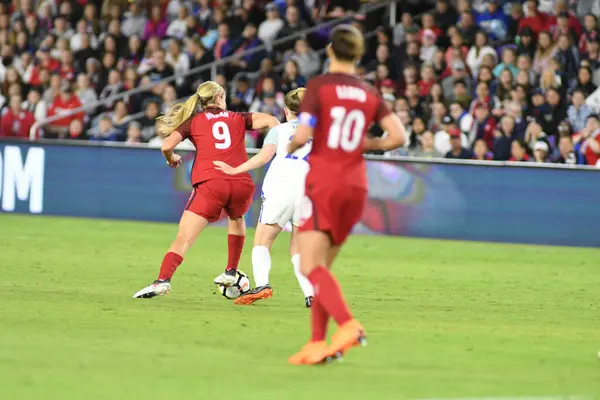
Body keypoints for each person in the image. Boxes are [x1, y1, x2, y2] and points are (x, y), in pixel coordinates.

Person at [285, 25, 406, 365]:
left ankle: (349, 325)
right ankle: (315, 343)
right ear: (358, 54)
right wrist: (368, 144)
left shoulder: (319, 85)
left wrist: (294, 143)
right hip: (356, 184)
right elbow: (398, 136)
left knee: (311, 266)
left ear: (330, 53)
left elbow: (305, 131)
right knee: (323, 268)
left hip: (325, 180)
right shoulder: (369, 92)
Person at [132, 81, 280, 299]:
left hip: (211, 183)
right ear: (220, 97)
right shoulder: (238, 118)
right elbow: (273, 121)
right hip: (241, 182)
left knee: (184, 237)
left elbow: (166, 146)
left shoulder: (193, 122)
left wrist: (171, 159)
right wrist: (271, 148)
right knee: (237, 218)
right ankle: (231, 271)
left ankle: (162, 281)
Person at [213, 89, 315, 307]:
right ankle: (311, 295)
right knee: (298, 247)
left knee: (262, 241)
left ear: (286, 110)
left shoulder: (279, 130)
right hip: (308, 191)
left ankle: (263, 285)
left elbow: (264, 156)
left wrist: (234, 170)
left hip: (280, 188)